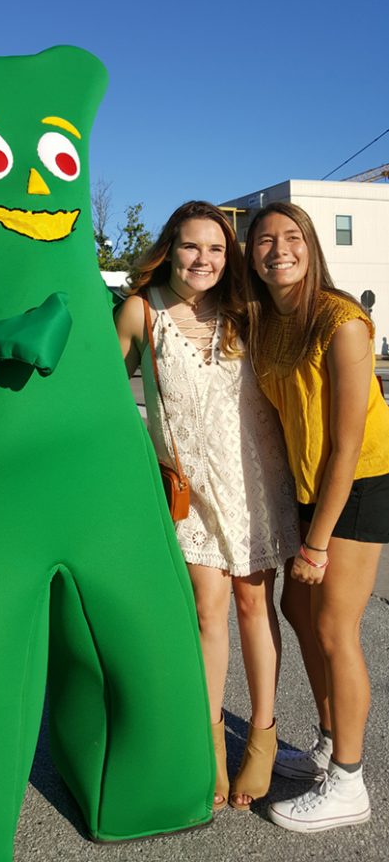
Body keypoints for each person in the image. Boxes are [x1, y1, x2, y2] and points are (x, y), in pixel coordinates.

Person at [115, 201, 299, 811]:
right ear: (170, 249)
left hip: (254, 480)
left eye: (217, 249)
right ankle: (209, 741)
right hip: (189, 490)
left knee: (255, 604)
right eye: (192, 247)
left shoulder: (248, 309)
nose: (204, 259)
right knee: (206, 612)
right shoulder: (140, 312)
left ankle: (265, 737)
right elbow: (105, 399)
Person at [243, 202, 389, 833]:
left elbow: (348, 441)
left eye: (291, 236)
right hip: (306, 484)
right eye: (264, 239)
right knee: (297, 613)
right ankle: (330, 742)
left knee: (334, 627)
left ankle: (351, 783)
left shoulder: (342, 321)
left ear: (311, 246)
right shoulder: (267, 322)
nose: (278, 248)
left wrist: (317, 541)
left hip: (356, 482)